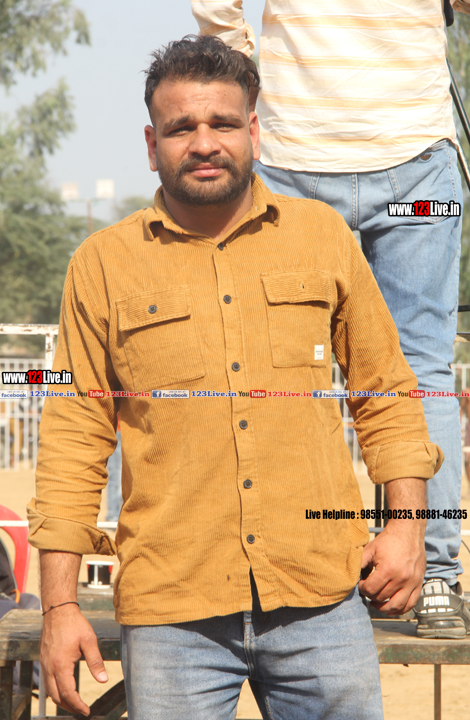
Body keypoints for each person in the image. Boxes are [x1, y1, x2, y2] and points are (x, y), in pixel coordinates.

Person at [28, 36, 444, 720]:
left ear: (252, 130)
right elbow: (74, 438)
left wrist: (406, 528)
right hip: (172, 612)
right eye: (180, 127)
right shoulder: (102, 264)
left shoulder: (322, 236)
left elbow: (386, 393)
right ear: (151, 143)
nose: (203, 142)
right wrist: (60, 605)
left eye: (222, 123)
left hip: (321, 598)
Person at [191, 0, 470, 639]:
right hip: (414, 164)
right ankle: (435, 579)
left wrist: (248, 67)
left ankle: (284, 570)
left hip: (297, 150)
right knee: (424, 367)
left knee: (277, 363)